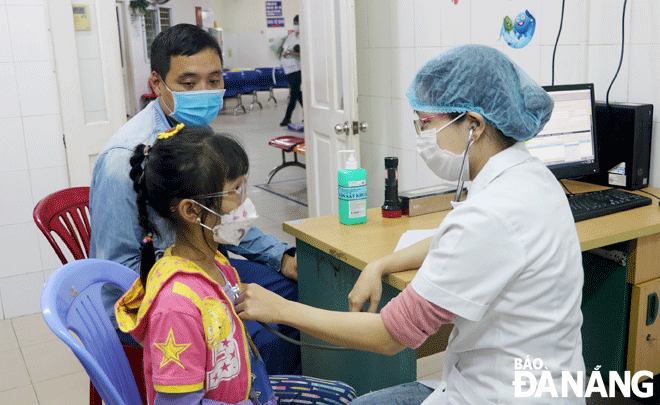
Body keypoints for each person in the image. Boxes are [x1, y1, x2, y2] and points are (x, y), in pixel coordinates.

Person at [235, 44, 586, 404]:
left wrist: (279, 309)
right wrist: (381, 264)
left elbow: (389, 336)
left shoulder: (489, 215)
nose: (422, 136)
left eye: (426, 123)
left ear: (474, 125)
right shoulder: (531, 177)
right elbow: (451, 238)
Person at [89, 23, 301, 376]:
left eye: (214, 80)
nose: (204, 92)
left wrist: (281, 257)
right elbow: (118, 274)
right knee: (255, 337)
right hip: (153, 293)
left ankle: (281, 388)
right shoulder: (124, 160)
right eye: (189, 84)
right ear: (158, 84)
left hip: (204, 262)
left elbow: (224, 216)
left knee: (292, 294)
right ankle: (255, 390)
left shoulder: (196, 131)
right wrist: (202, 291)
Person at [115, 124, 356, 405]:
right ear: (192, 210)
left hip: (247, 389)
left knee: (344, 394)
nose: (246, 202)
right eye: (235, 191)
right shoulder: (176, 307)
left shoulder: (216, 263)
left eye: (243, 186)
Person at [279, 15, 302, 127]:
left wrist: (291, 53)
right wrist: (285, 54)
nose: (296, 25)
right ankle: (308, 113)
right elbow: (285, 50)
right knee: (297, 93)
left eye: (297, 23)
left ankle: (287, 118)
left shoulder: (304, 37)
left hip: (298, 68)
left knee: (294, 93)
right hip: (288, 68)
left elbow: (303, 54)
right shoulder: (291, 36)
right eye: (295, 22)